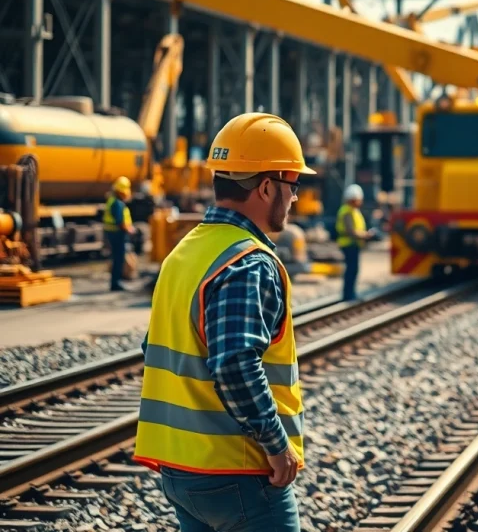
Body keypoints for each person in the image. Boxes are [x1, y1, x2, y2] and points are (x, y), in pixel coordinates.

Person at [133, 112, 313, 532]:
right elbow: (234, 363)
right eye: (294, 186)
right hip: (239, 471)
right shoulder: (247, 262)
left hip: (181, 471)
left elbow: (155, 346)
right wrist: (276, 446)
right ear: (267, 186)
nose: (295, 199)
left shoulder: (184, 253)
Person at [335, 183, 376, 302]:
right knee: (352, 270)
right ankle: (348, 295)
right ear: (353, 199)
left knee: (353, 269)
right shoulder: (347, 211)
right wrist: (366, 235)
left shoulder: (352, 210)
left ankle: (350, 293)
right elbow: (350, 231)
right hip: (349, 244)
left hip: (352, 244)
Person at [102, 176, 135, 291]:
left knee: (116, 258)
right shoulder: (118, 204)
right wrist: (130, 229)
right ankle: (116, 283)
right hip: (118, 234)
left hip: (112, 233)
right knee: (118, 259)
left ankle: (116, 282)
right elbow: (120, 221)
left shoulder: (112, 200)